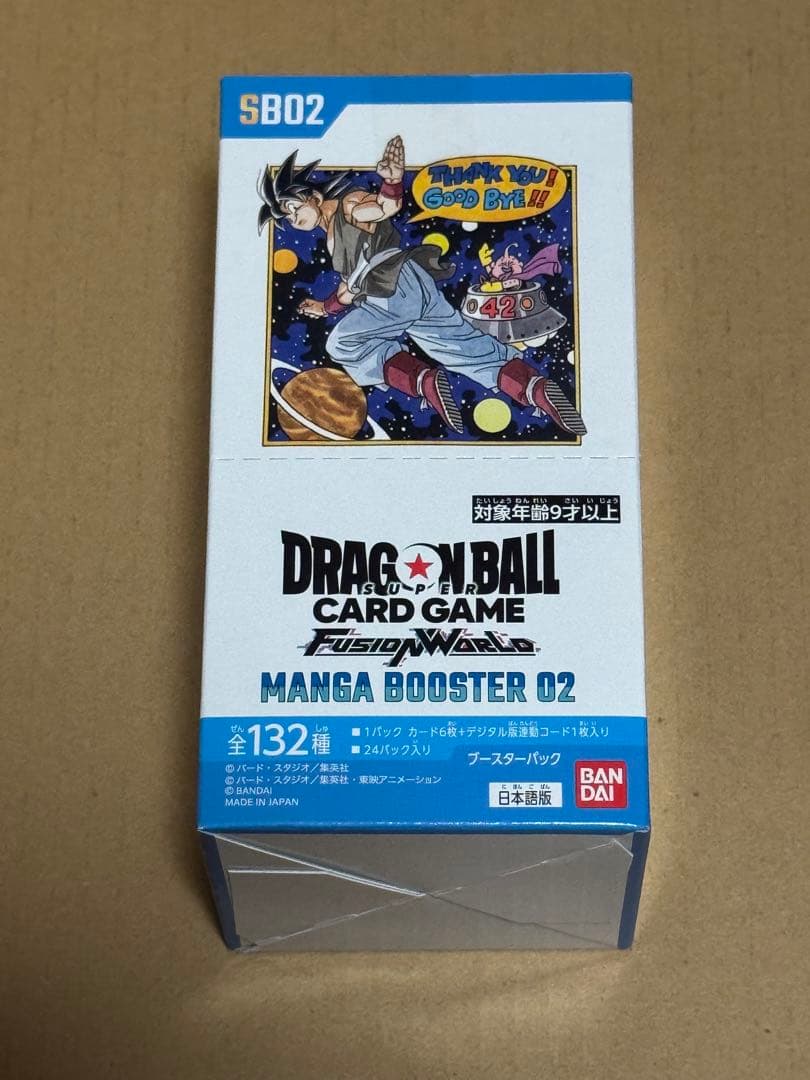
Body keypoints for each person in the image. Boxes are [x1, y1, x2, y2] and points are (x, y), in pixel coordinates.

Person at [258, 137, 586, 436]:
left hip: (390, 290)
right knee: (463, 347)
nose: (292, 219)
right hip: (414, 282)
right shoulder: (332, 233)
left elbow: (384, 208)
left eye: (292, 208)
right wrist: (324, 307)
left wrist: (391, 182)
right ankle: (535, 389)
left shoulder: (348, 205)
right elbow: (349, 287)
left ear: (313, 197)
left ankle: (421, 380)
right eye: (286, 218)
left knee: (343, 344)